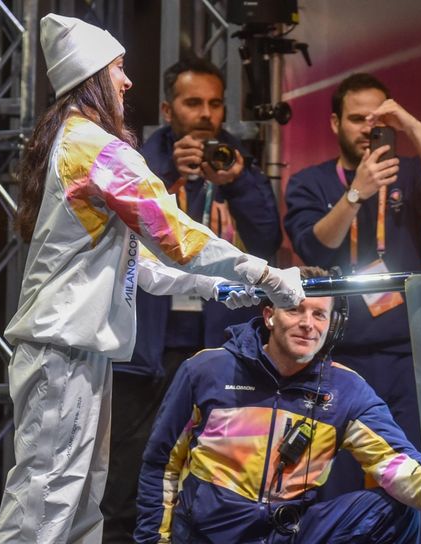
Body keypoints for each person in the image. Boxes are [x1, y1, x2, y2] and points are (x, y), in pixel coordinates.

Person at [0, 14, 303, 544]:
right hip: (61, 349)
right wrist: (266, 274)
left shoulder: (75, 140)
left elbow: (138, 266)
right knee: (45, 504)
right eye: (118, 69)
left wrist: (217, 287)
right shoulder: (95, 147)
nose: (127, 81)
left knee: (81, 500)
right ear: (91, 77)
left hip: (77, 351)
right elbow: (176, 233)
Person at [102, 57, 282, 541]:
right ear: (168, 108)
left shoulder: (233, 159)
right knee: (126, 480)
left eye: (215, 103)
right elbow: (117, 225)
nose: (206, 114)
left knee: (212, 480)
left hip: (215, 347)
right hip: (146, 351)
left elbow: (267, 239)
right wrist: (167, 173)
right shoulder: (137, 157)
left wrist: (239, 183)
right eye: (193, 102)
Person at [134, 268, 421, 544]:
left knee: (398, 510)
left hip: (289, 531)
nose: (307, 324)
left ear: (333, 325)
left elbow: (398, 465)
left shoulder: (347, 390)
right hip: (210, 534)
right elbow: (161, 466)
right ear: (269, 315)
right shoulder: (206, 370)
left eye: (319, 314)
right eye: (294, 309)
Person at [283, 73, 421, 498]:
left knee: (412, 476)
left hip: (404, 353)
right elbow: (314, 246)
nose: (368, 127)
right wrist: (355, 194)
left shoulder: (405, 175)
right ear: (334, 124)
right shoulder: (311, 182)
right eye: (357, 118)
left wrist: (414, 127)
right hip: (334, 355)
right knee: (334, 480)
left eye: (378, 118)